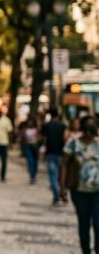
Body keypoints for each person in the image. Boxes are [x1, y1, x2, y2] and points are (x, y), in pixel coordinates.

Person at [61, 115, 99, 254]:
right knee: (84, 223)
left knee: (98, 223)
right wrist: (62, 187)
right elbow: (64, 165)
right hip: (79, 191)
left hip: (97, 192)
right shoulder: (73, 143)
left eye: (93, 126)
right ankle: (86, 250)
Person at [42, 108, 68, 205]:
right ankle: (59, 194)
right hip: (61, 153)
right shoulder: (63, 126)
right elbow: (65, 139)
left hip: (50, 153)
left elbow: (44, 139)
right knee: (59, 176)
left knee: (53, 176)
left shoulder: (46, 126)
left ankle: (57, 196)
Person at [20, 118, 41, 184]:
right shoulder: (25, 130)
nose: (30, 124)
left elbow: (39, 138)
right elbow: (22, 139)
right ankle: (31, 176)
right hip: (28, 146)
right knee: (30, 161)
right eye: (29, 122)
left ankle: (34, 175)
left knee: (35, 161)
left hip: (35, 146)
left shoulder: (36, 130)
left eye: (31, 122)